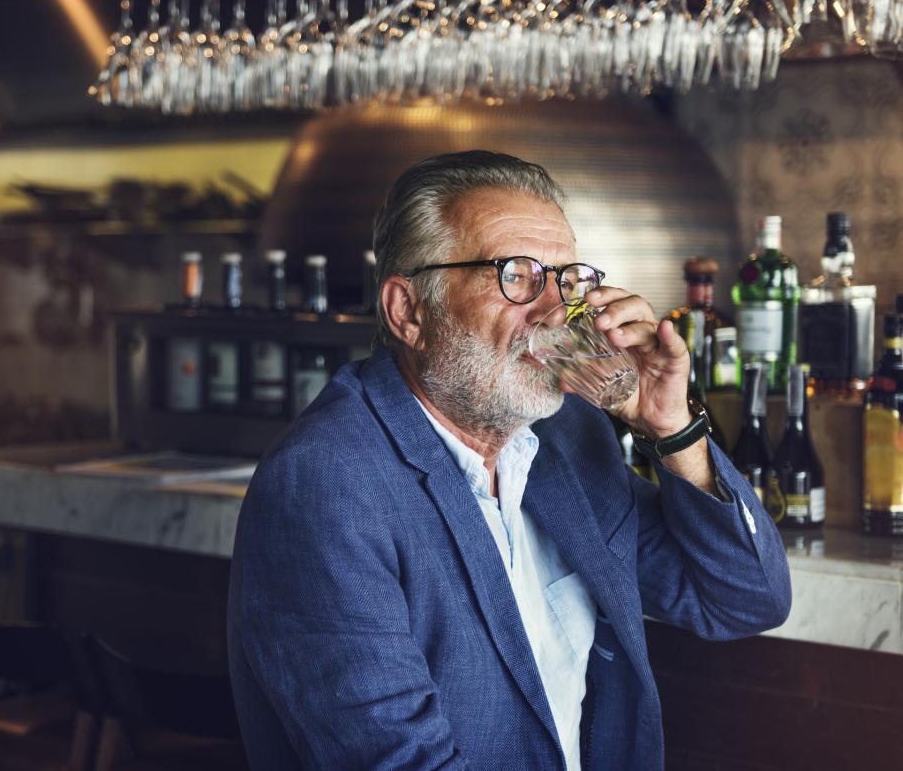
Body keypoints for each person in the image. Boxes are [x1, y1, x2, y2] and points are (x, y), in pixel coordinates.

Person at [227, 151, 791, 770]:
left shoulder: (567, 439)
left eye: (565, 278)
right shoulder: (327, 485)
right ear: (409, 311)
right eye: (516, 275)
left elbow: (742, 600)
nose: (556, 310)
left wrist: (672, 428)